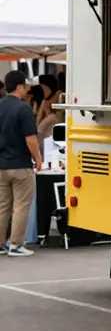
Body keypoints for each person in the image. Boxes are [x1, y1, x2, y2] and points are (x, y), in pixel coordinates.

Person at [0, 71, 42, 257]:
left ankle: (0, 243)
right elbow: (30, 138)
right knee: (21, 205)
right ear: (19, 87)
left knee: (3, 206)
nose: (26, 89)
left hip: (1, 165)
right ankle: (16, 244)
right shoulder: (24, 109)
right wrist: (38, 158)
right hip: (20, 165)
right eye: (25, 86)